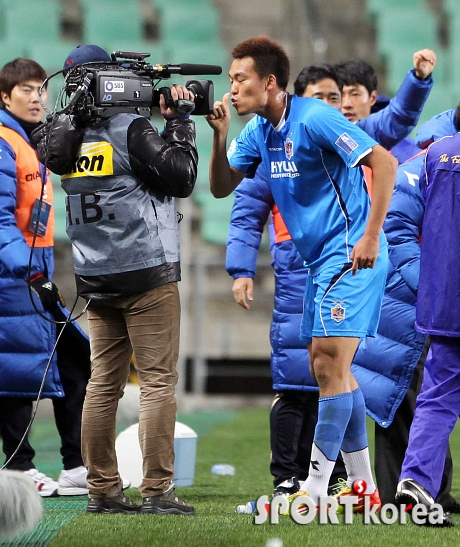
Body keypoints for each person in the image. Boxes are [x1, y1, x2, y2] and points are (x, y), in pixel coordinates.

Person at [226, 53, 436, 502]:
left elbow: (384, 162)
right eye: (230, 78)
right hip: (317, 263)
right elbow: (225, 186)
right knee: (337, 370)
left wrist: (371, 237)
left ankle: (317, 487)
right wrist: (219, 132)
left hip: (350, 257)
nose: (232, 86)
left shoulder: (316, 118)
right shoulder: (260, 130)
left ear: (268, 82)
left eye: (240, 78)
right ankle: (363, 488)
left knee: (326, 365)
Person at [34, 44, 198, 515]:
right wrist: (181, 123)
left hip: (95, 276)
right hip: (147, 274)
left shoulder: (59, 139)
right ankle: (157, 490)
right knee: (157, 382)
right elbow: (181, 175)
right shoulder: (131, 128)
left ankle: (103, 489)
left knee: (102, 382)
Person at [0, 58, 92, 497]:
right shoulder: (2, 141)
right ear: (4, 96)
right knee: (16, 371)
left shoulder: (29, 141)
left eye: (40, 89)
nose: (37, 97)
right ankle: (19, 469)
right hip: (11, 277)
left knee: (75, 361)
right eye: (26, 90)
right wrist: (25, 269)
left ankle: (75, 465)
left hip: (34, 276)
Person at [395, 107, 460, 527]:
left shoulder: (435, 155)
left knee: (437, 395)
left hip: (445, 298)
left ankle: (415, 480)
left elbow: (402, 217)